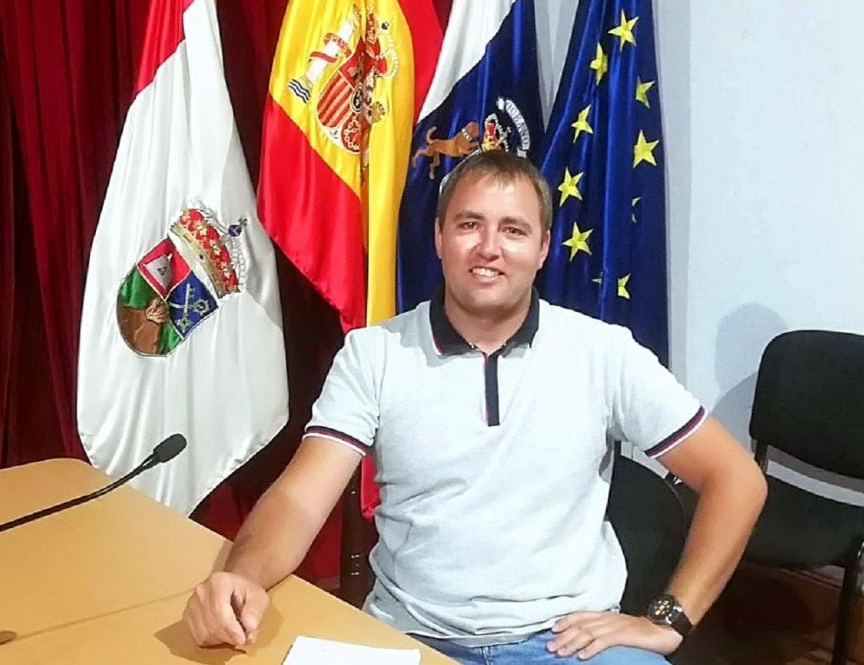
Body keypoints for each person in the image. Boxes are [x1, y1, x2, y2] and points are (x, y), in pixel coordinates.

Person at [182, 151, 767, 663]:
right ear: (439, 238)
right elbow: (298, 499)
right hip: (412, 635)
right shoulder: (374, 354)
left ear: (542, 249)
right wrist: (241, 575)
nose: (489, 248)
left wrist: (668, 618)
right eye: (470, 225)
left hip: (569, 641)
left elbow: (736, 479)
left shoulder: (603, 353)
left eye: (513, 230)